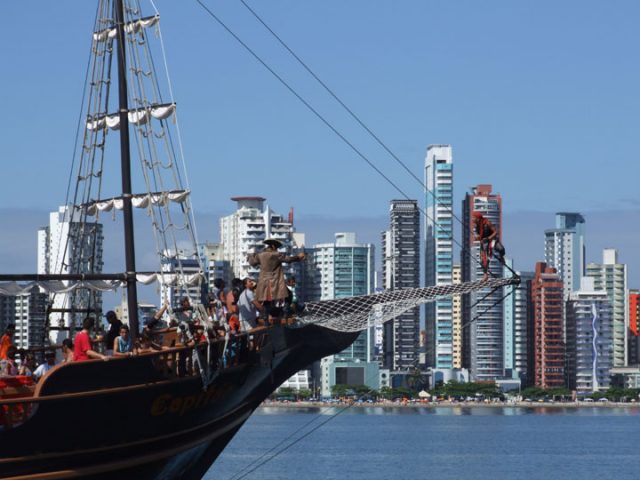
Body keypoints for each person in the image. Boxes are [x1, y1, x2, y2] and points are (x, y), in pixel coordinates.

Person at [247, 238, 305, 323]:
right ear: (273, 246)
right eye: (277, 247)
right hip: (275, 281)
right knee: (288, 295)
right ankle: (285, 313)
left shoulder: (260, 255)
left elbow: (252, 263)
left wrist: (251, 256)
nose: (277, 249)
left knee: (266, 301)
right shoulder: (276, 254)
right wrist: (298, 257)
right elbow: (288, 259)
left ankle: (266, 320)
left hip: (264, 282)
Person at [472, 211, 506, 281]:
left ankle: (501, 257)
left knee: (501, 249)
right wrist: (478, 238)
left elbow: (495, 232)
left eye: (474, 218)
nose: (472, 219)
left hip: (492, 239)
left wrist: (488, 238)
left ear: (477, 218)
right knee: (484, 259)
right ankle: (485, 275)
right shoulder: (477, 226)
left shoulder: (487, 223)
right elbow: (480, 235)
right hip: (484, 242)